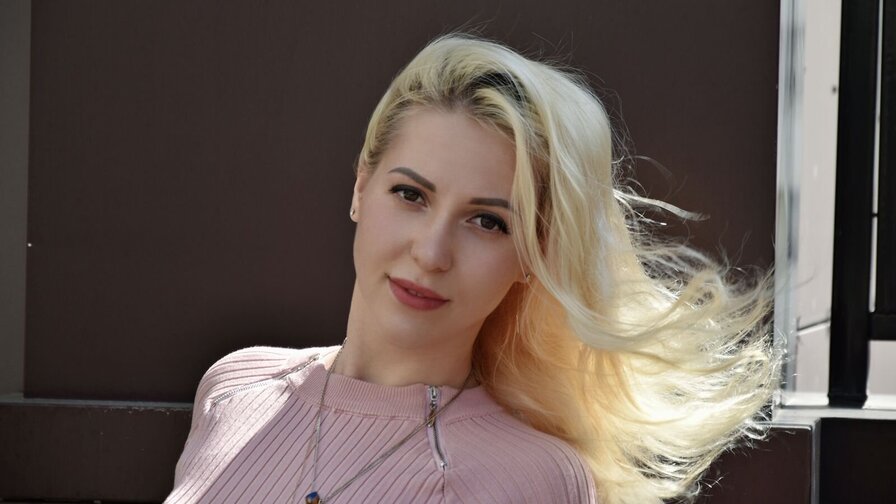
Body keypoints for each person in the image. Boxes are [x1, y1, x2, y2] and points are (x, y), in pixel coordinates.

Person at [165, 33, 779, 504]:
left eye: (487, 222)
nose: (431, 253)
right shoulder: (234, 389)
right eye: (410, 194)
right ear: (360, 187)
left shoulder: (532, 479)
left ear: (532, 256)